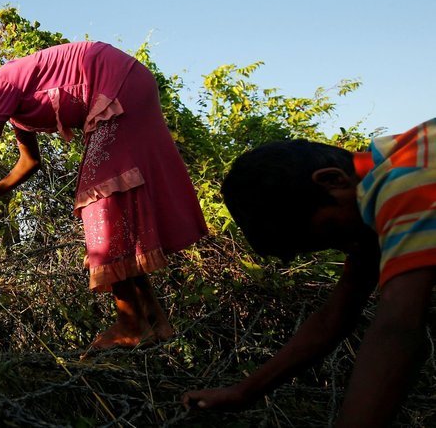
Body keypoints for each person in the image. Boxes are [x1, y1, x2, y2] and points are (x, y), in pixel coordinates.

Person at [0, 42, 208, 353]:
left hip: (116, 84)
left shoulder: (2, 82)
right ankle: (157, 322)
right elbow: (29, 162)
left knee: (98, 199)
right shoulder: (15, 109)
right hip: (126, 84)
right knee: (114, 205)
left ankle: (131, 325)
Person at [181, 120, 436, 427]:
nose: (348, 247)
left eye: (332, 231)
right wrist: (245, 392)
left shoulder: (406, 182)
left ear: (332, 180)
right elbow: (336, 315)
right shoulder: (378, 178)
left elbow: (398, 328)